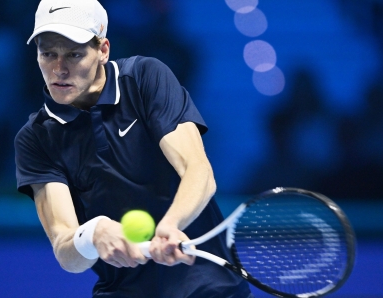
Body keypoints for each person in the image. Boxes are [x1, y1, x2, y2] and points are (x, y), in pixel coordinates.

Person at [14, 0, 253, 297]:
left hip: (209, 290)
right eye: (47, 53)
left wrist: (170, 225)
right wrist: (93, 233)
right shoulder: (36, 138)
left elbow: (198, 171)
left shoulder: (144, 79)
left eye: (74, 54)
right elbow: (66, 250)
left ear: (103, 51)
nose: (58, 69)